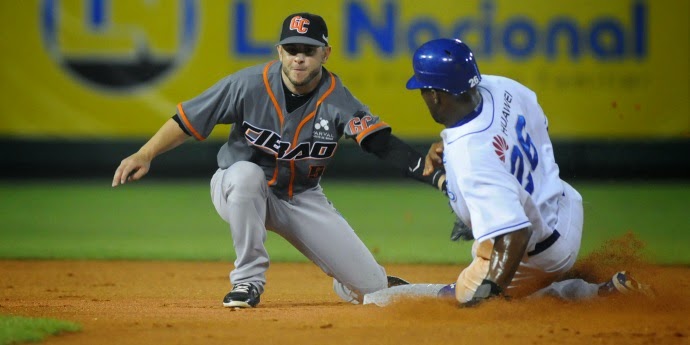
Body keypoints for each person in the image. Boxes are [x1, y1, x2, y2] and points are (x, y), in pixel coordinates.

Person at [111, 13, 446, 308]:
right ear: (279, 51)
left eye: (309, 50)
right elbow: (188, 120)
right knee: (246, 175)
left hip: (300, 196)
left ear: (325, 53)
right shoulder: (247, 85)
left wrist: (434, 175)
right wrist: (146, 153)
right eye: (292, 49)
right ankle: (247, 281)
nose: (299, 58)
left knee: (372, 287)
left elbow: (381, 144)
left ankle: (351, 280)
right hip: (236, 188)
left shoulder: (338, 101)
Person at [363, 38, 653, 307]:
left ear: (436, 96)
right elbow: (536, 131)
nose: (424, 96)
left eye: (424, 90)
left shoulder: (470, 155)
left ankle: (597, 294)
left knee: (462, 300)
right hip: (565, 207)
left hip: (535, 249)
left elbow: (515, 234)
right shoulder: (504, 87)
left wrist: (488, 295)